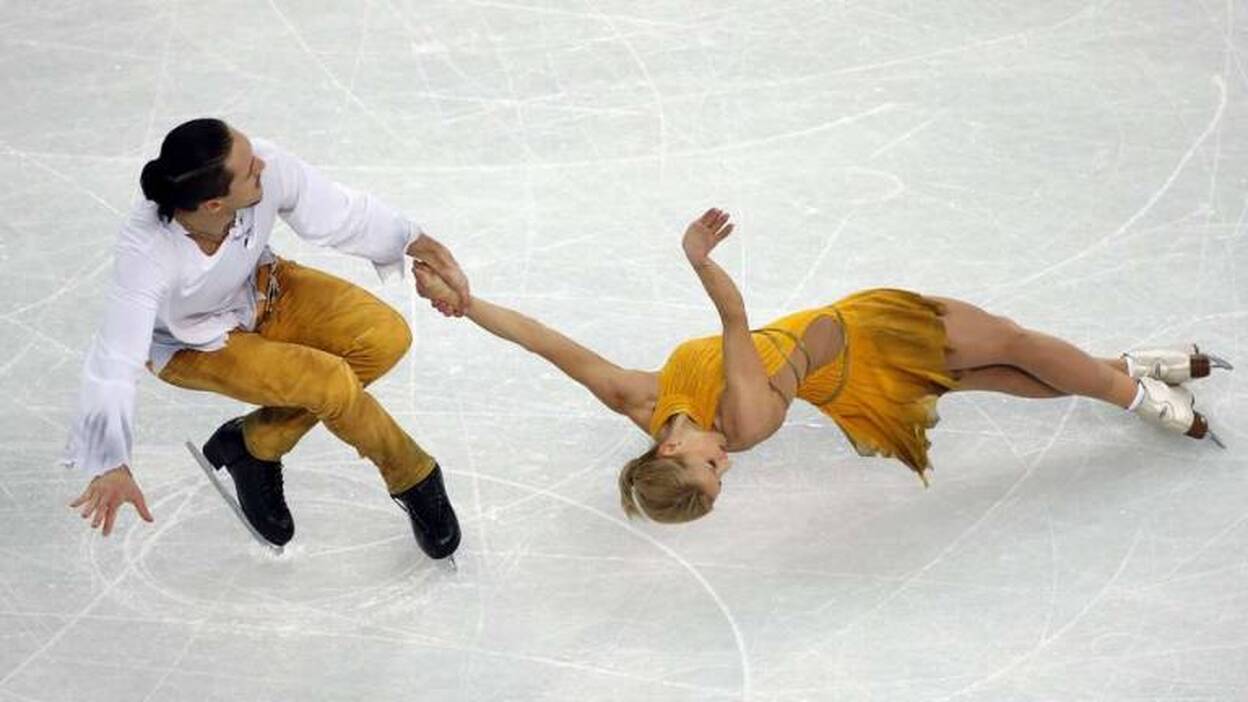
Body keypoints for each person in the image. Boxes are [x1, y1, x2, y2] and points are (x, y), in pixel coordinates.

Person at [411, 208, 1231, 524]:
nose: (726, 466)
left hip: (848, 369)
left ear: (664, 447)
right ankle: (1139, 394)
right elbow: (733, 317)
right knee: (1011, 342)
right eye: (721, 481)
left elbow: (550, 345)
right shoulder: (745, 422)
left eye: (707, 472)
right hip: (865, 337)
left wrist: (467, 305)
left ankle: (1132, 367)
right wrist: (695, 258)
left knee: (996, 373)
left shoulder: (638, 399)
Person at [65, 118, 466, 559]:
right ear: (215, 204)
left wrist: (420, 244)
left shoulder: (265, 166)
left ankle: (254, 445)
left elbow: (340, 214)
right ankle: (413, 475)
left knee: (384, 337)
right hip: (193, 346)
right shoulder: (146, 253)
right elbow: (114, 359)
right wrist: (110, 463)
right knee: (328, 382)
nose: (260, 163)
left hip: (265, 290)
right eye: (248, 169)